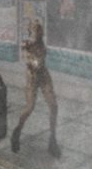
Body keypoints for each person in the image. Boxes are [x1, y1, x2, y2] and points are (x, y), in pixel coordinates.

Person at [10, 19, 61, 158]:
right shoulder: (26, 43)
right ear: (30, 31)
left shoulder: (41, 43)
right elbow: (27, 57)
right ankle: (17, 132)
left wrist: (37, 59)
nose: (38, 33)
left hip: (43, 76)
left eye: (39, 30)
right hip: (32, 78)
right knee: (29, 107)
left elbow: (41, 59)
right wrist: (31, 57)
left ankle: (52, 140)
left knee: (54, 106)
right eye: (35, 30)